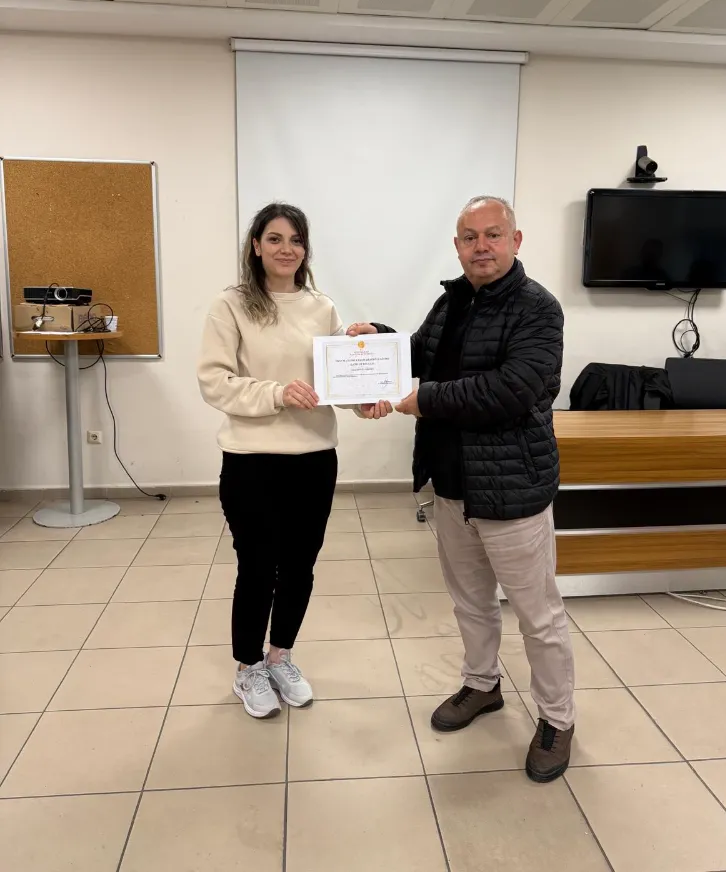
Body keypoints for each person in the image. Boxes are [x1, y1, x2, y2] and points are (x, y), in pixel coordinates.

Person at [348, 195, 575, 782]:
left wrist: (420, 399)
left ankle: (557, 719)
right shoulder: (451, 300)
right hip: (451, 486)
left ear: (516, 240)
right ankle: (482, 685)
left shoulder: (538, 309)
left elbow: (510, 390)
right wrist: (378, 340)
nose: (482, 247)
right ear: (457, 246)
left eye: (493, 234)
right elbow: (422, 353)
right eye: (470, 237)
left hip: (512, 490)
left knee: (538, 615)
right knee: (471, 602)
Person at [198, 202, 388, 720]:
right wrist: (277, 393)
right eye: (275, 239)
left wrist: (364, 400)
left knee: (300, 566)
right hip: (251, 460)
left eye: (296, 240)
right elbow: (215, 381)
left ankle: (280, 656)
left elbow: (333, 381)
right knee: (258, 567)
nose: (287, 249)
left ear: (306, 249)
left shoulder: (321, 308)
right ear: (256, 246)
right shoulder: (230, 305)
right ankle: (248, 667)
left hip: (314, 460)